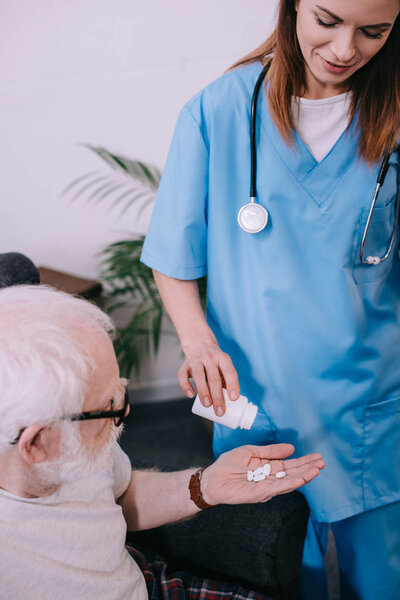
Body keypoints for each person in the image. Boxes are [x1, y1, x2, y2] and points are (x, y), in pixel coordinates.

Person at [140, 1, 400, 598]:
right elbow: (173, 256)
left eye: (374, 32)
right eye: (328, 21)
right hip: (259, 400)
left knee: (385, 579)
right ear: (292, 8)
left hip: (372, 401)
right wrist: (198, 342)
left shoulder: (392, 112)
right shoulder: (219, 110)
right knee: (280, 573)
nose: (344, 50)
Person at [0, 284, 324, 600]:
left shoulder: (69, 441)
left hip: (143, 582)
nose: (124, 409)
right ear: (36, 444)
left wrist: (205, 485)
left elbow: (120, 493)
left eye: (121, 390)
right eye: (108, 403)